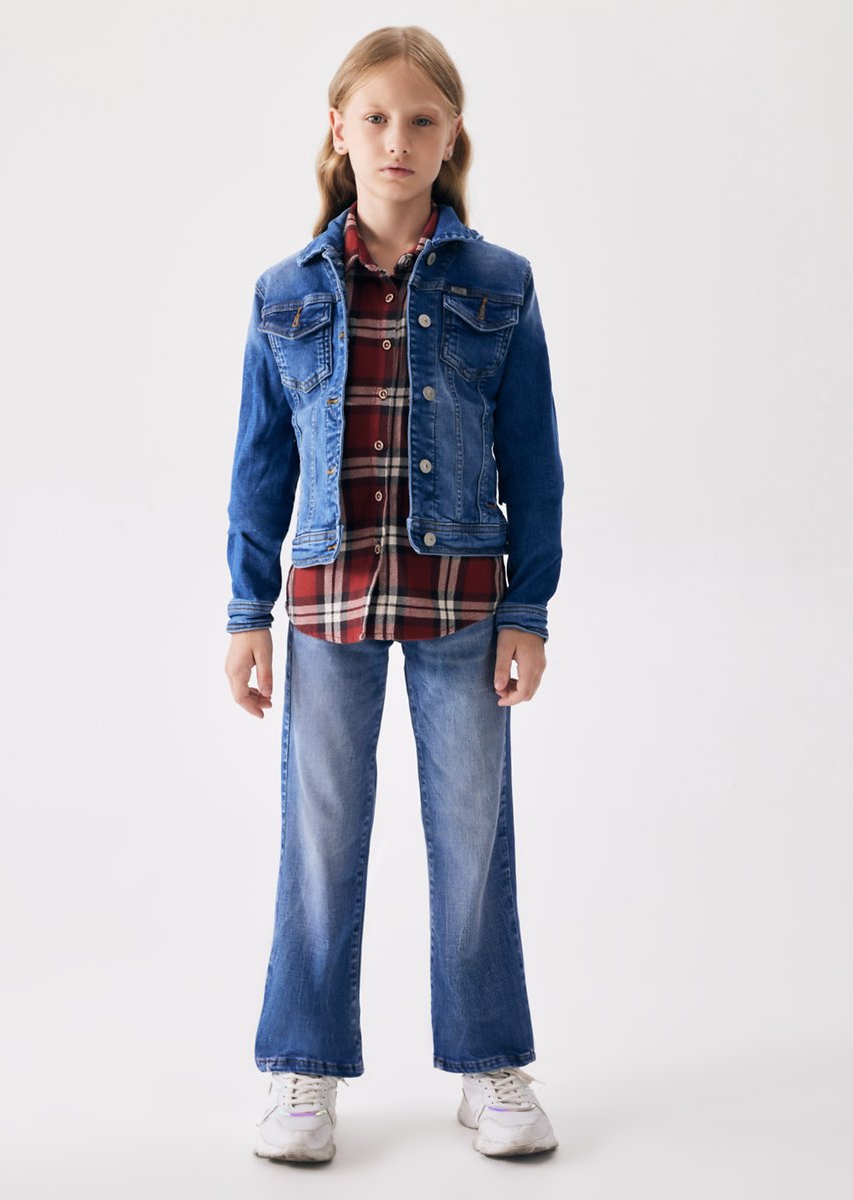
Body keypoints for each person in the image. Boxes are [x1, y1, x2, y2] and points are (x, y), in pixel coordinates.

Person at [224, 25, 564, 1163]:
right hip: (325, 606)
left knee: (472, 835)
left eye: (422, 119)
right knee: (320, 840)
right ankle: (304, 1071)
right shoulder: (284, 293)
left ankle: (489, 1065)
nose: (397, 140)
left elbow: (535, 461)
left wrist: (529, 610)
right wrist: (244, 613)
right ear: (339, 130)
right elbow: (259, 466)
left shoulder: (500, 284)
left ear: (452, 134)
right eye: (375, 117)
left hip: (463, 601)